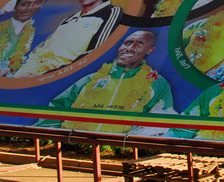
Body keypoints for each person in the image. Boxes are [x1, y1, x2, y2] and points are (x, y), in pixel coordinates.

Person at [35, 30, 174, 134]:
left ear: (150, 50)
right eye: (127, 42)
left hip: (123, 150)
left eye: (140, 43)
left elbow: (161, 119)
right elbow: (56, 107)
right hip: (74, 145)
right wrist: (51, 137)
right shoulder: (91, 79)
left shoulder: (157, 83)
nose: (130, 48)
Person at [15, 0, 124, 77]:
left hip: (61, 76)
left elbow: (96, 51)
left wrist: (48, 75)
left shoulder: (111, 11)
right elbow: (39, 51)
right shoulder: (68, 19)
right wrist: (26, 72)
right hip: (33, 72)